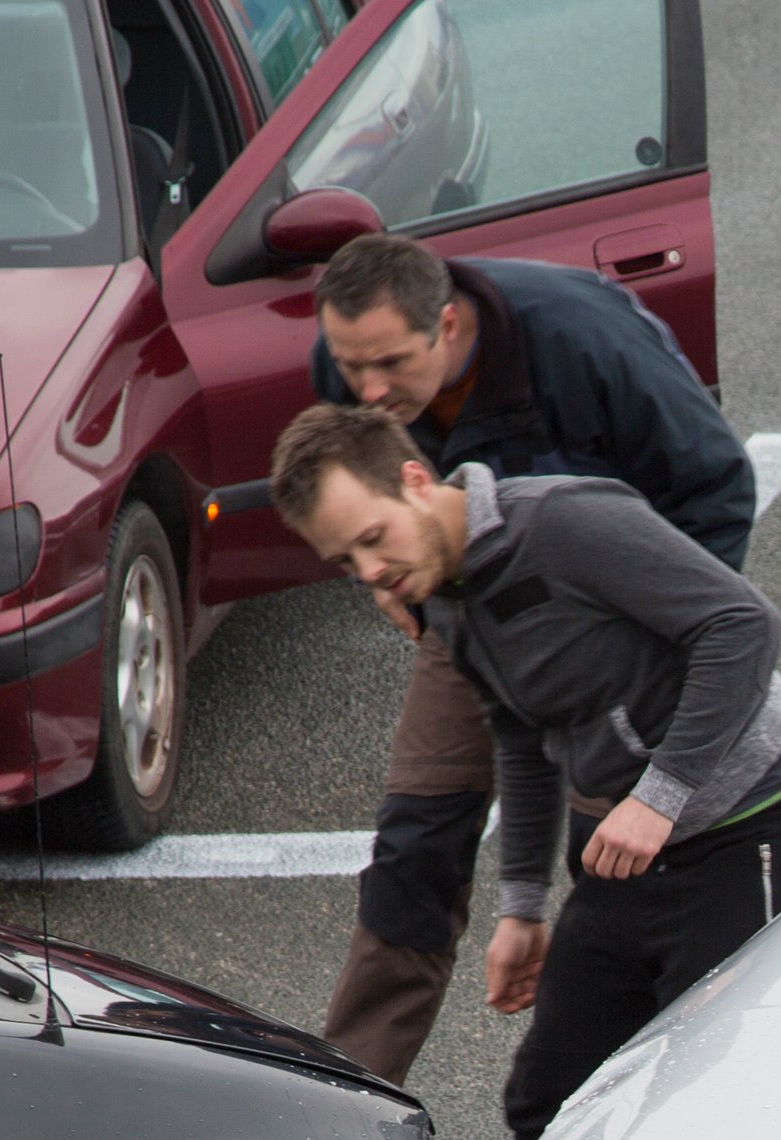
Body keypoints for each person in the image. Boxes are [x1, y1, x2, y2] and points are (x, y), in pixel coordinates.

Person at [268, 404, 781, 1140]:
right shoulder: (444, 589)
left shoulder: (565, 523)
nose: (371, 573)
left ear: (414, 481)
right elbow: (521, 732)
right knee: (548, 1095)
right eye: (346, 561)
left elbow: (743, 625)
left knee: (708, 1090)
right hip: (626, 844)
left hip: (751, 819)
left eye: (372, 537)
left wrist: (659, 796)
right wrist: (524, 907)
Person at [301, 231, 758, 1086]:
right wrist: (394, 586)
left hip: (612, 622)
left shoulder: (586, 342)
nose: (368, 390)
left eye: (391, 364)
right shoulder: (357, 365)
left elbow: (717, 489)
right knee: (414, 847)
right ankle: (346, 1107)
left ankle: (666, 1100)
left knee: (621, 866)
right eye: (348, 365)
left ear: (446, 324)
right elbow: (350, 486)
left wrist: (654, 654)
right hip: (469, 619)